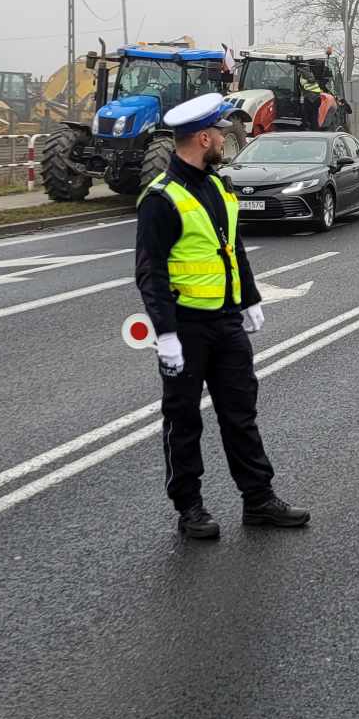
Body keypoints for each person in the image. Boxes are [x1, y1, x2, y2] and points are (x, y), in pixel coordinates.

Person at [135, 93, 309, 541]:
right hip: (186, 327)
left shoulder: (218, 186)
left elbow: (232, 250)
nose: (227, 142)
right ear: (203, 137)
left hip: (226, 323)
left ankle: (259, 500)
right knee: (183, 420)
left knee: (240, 413)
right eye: (221, 135)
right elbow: (149, 273)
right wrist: (166, 335)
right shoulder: (161, 199)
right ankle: (189, 507)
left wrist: (248, 299)